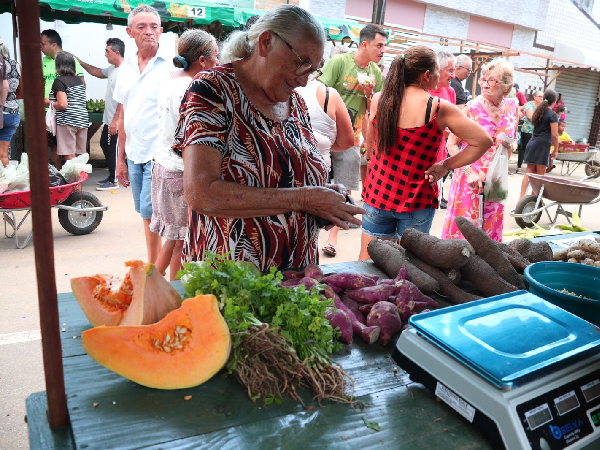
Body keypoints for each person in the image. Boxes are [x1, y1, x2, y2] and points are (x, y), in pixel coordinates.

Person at [173, 5, 365, 272]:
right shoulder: (213, 89)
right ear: (266, 42)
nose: (305, 78)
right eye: (302, 63)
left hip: (296, 275)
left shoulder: (296, 103)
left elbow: (294, 179)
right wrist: (305, 198)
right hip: (232, 276)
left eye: (314, 69)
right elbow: (201, 193)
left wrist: (326, 200)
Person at [357, 47, 493, 260]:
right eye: (438, 71)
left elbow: (371, 149)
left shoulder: (379, 99)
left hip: (378, 194)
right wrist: (445, 166)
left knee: (367, 263)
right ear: (427, 75)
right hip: (416, 200)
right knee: (406, 266)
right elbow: (483, 141)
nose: (440, 76)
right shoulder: (438, 108)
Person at [151, 30, 219, 281]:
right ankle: (149, 292)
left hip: (164, 166)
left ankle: (171, 293)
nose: (218, 62)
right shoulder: (193, 88)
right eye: (215, 56)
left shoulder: (171, 78)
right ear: (202, 60)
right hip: (178, 171)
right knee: (175, 240)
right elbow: (191, 138)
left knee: (177, 240)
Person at [318, 24, 386, 257]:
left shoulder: (376, 73)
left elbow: (375, 109)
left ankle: (333, 238)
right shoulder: (340, 63)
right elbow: (320, 90)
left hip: (353, 137)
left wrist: (368, 95)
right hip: (326, 133)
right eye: (379, 45)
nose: (383, 50)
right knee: (317, 181)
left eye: (385, 46)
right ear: (364, 44)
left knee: (344, 187)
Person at [113, 5, 171, 265]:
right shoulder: (123, 69)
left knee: (153, 214)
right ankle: (156, 267)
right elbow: (124, 116)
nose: (149, 32)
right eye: (141, 27)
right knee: (145, 214)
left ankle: (153, 269)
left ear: (161, 30)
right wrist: (120, 159)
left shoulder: (172, 67)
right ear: (129, 32)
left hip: (161, 154)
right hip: (134, 153)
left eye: (153, 27)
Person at [441, 59, 519, 242]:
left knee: (490, 234)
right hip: (470, 180)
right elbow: (451, 144)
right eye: (483, 79)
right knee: (464, 235)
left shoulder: (512, 107)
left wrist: (510, 145)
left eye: (491, 80)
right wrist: (468, 172)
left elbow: (513, 140)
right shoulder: (471, 109)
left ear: (506, 87)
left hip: (496, 180)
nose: (484, 84)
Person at [76, 38, 126, 191]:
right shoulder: (112, 69)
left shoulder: (124, 71)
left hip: (117, 120)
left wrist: (116, 121)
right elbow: (97, 72)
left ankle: (115, 180)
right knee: (105, 143)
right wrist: (80, 62)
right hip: (109, 118)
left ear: (117, 52)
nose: (105, 54)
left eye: (107, 51)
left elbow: (122, 99)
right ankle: (112, 175)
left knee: (113, 148)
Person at [41, 29, 86, 168]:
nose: (41, 47)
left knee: (68, 153)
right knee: (59, 147)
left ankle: (70, 183)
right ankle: (65, 178)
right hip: (72, 115)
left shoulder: (60, 79)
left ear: (54, 44)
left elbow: (63, 104)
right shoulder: (44, 61)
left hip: (63, 114)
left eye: (43, 44)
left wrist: (50, 102)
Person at [295, 74, 354, 175]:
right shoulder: (329, 95)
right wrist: (322, 143)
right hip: (317, 175)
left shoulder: (270, 89)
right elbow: (346, 142)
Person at [44, 52, 89, 161]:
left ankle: (73, 177)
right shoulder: (79, 80)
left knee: (69, 155)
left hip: (68, 121)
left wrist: (49, 103)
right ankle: (79, 177)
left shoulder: (59, 81)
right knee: (79, 155)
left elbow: (63, 104)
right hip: (82, 119)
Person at [519, 89, 559, 199]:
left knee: (529, 171)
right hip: (543, 145)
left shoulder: (538, 111)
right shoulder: (552, 115)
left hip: (533, 142)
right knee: (540, 175)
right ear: (555, 101)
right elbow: (555, 135)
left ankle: (521, 198)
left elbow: (534, 130)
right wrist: (556, 150)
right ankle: (534, 200)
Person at [429, 51, 456, 209]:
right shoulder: (423, 91)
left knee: (433, 201)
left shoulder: (450, 92)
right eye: (450, 70)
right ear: (438, 69)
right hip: (419, 154)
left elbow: (452, 123)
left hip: (439, 155)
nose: (453, 75)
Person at [0, 36, 20, 168]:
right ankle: (7, 185)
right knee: (3, 154)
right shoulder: (16, 64)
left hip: (2, 111)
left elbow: (5, 86)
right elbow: (21, 91)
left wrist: (1, 105)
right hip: (13, 112)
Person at [516, 90, 543, 174]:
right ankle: (519, 167)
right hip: (528, 129)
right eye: (540, 96)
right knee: (524, 148)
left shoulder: (542, 106)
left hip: (538, 130)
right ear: (534, 97)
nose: (542, 98)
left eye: (543, 97)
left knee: (536, 149)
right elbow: (531, 117)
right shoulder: (529, 105)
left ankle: (533, 167)